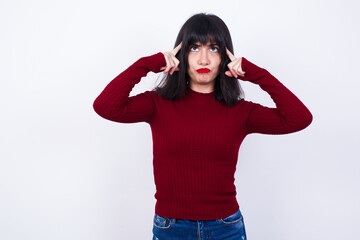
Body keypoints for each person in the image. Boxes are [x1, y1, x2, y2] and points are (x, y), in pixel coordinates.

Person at [93, 12, 312, 240]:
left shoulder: (241, 111)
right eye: (194, 48)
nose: (204, 59)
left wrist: (257, 74)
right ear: (181, 54)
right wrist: (148, 63)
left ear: (225, 58)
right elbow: (106, 106)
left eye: (214, 49)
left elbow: (299, 118)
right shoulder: (157, 104)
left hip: (225, 227)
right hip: (171, 228)